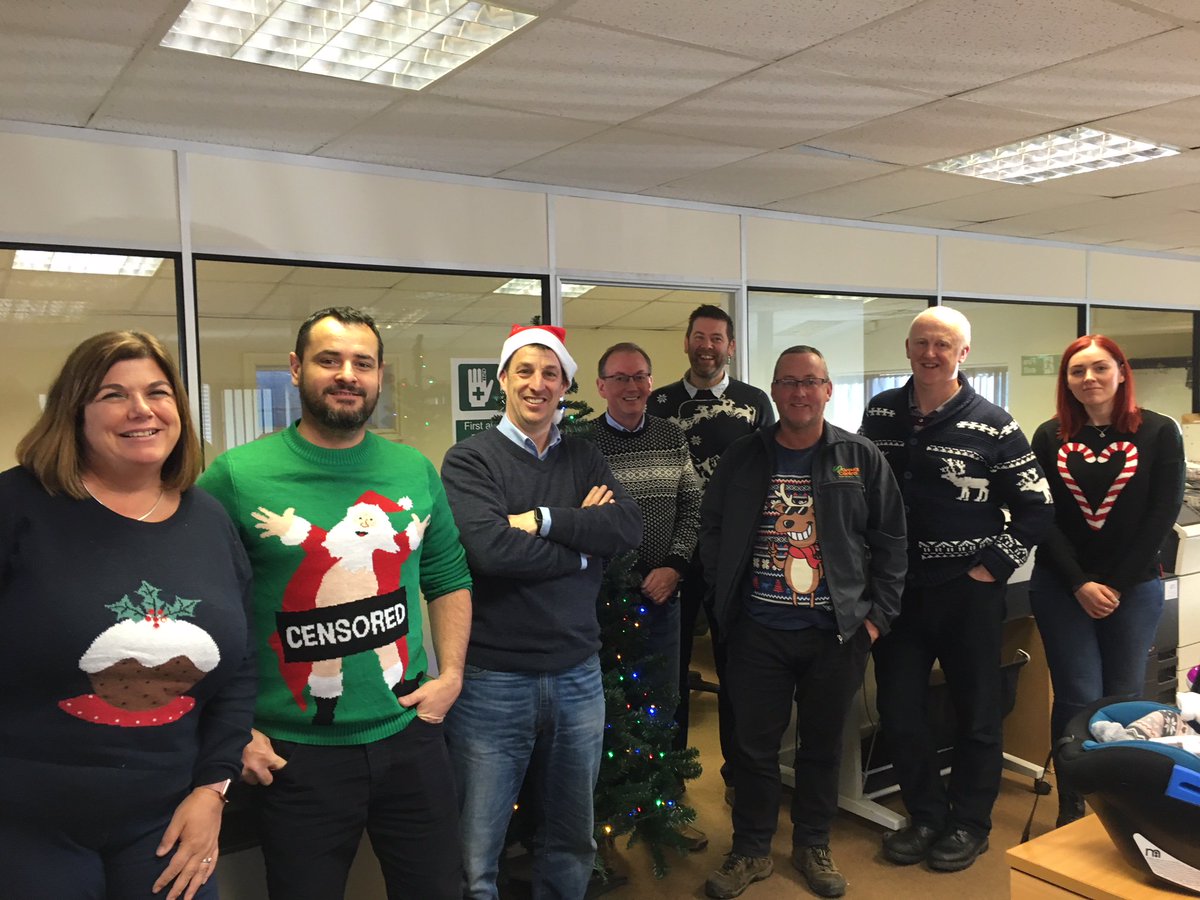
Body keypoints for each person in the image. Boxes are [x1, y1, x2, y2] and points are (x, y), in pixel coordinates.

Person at [198, 307, 472, 900]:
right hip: (295, 754)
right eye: (329, 360)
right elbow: (197, 609)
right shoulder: (237, 477)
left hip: (412, 734)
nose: (347, 374)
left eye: (363, 363)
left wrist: (452, 675)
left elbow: (448, 575)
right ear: (296, 370)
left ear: (379, 378)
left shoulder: (413, 470)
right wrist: (233, 729)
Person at [0, 331, 255, 900]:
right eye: (114, 394)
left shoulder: (209, 519)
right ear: (75, 412)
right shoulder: (17, 506)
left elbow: (241, 669)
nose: (142, 410)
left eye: (158, 392)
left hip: (167, 821)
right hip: (27, 826)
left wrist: (213, 789)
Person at [441, 324, 642, 900]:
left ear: (565, 385)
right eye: (524, 371)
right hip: (492, 682)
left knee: (571, 838)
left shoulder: (583, 455)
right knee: (476, 847)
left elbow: (625, 527)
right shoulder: (469, 461)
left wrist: (544, 520)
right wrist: (583, 549)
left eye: (550, 373)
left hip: (579, 677)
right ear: (502, 379)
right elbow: (491, 551)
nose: (537, 384)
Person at [700, 346, 907, 899]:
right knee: (752, 749)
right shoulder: (743, 456)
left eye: (810, 382)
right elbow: (712, 529)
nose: (799, 393)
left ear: (828, 389)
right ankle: (750, 850)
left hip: (834, 634)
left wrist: (876, 620)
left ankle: (813, 844)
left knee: (822, 747)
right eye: (789, 382)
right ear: (773, 388)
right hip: (756, 632)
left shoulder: (859, 456)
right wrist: (727, 610)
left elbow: (890, 542)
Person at [861, 306, 1053, 872]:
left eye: (943, 345)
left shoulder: (994, 422)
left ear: (962, 354)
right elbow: (867, 490)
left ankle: (969, 823)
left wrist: (993, 565)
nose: (930, 353)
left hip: (968, 593)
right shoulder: (881, 412)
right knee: (900, 711)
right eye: (921, 342)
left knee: (976, 713)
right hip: (898, 593)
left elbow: (1037, 508)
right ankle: (924, 815)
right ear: (907, 347)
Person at [1029, 334, 1184, 826]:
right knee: (1076, 694)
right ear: (1066, 381)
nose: (1088, 379)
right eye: (1077, 371)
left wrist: (1113, 584)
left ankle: (1119, 800)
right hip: (1062, 586)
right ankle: (1073, 802)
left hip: (1133, 586)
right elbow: (1043, 515)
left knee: (1122, 698)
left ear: (1121, 372)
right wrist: (1079, 582)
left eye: (1099, 368)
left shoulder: (1159, 432)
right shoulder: (1049, 436)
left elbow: (1161, 514)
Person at [649, 304, 774, 809]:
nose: (707, 346)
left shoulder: (755, 402)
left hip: (735, 559)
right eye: (699, 336)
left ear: (731, 347)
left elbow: (772, 475)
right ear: (686, 342)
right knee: (667, 673)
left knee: (737, 670)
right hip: (671, 558)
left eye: (717, 338)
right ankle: (668, 776)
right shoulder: (659, 403)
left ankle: (739, 772)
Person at [589, 341, 702, 732]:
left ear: (651, 383)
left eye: (639, 376)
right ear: (602, 386)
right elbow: (581, 522)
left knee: (662, 702)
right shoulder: (583, 446)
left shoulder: (672, 436)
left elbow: (693, 507)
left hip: (663, 597)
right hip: (602, 603)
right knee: (606, 711)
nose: (631, 386)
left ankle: (667, 792)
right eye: (620, 378)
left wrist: (674, 567)